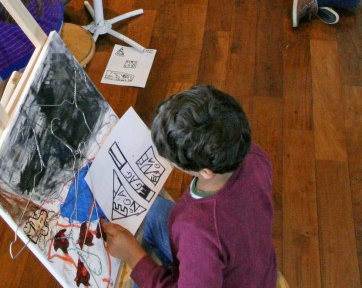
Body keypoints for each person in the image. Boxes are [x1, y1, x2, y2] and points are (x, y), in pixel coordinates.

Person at [102, 85, 278, 288]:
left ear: (206, 172)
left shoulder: (197, 229)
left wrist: (134, 257)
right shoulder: (254, 155)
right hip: (252, 268)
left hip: (223, 274)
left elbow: (202, 241)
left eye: (169, 155)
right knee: (153, 209)